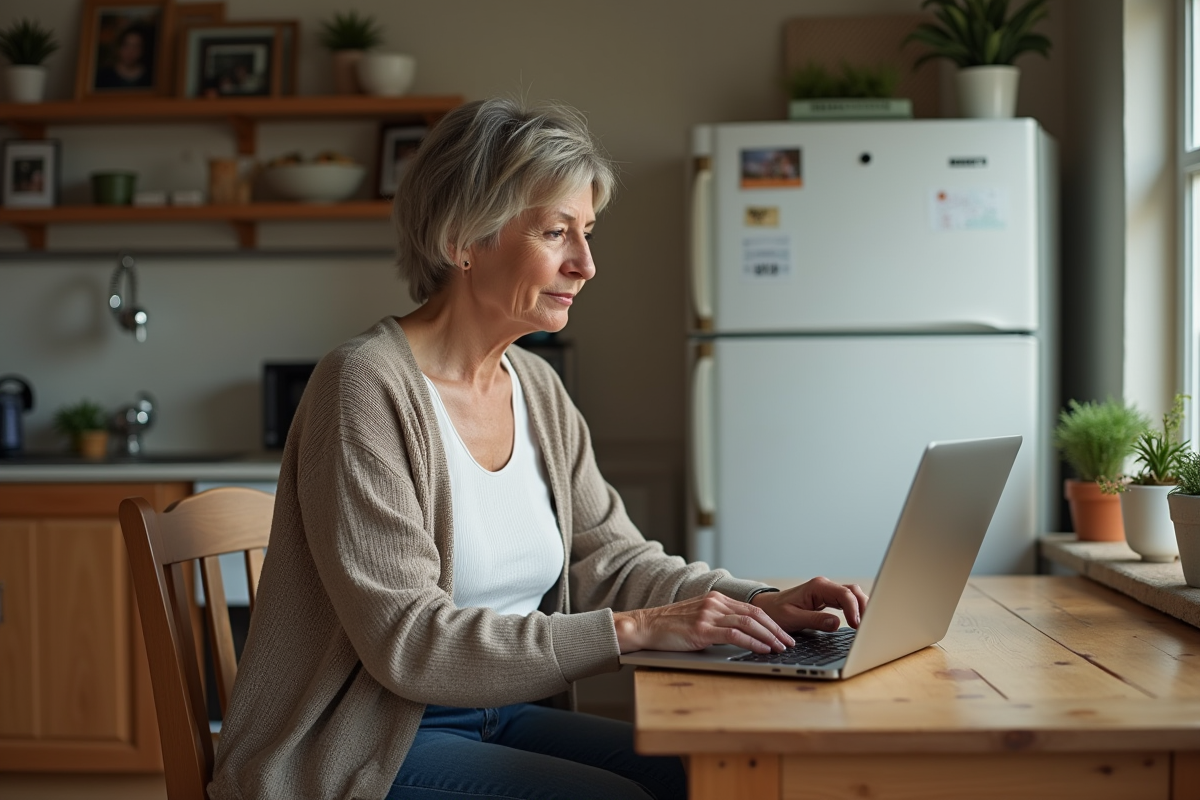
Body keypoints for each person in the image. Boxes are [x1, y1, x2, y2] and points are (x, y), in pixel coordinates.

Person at [208, 98, 868, 800]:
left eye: (586, 232)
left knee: (698, 776)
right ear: (463, 239)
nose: (586, 264)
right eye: (557, 232)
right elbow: (409, 642)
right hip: (366, 739)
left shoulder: (536, 386)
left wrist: (760, 602)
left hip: (499, 715)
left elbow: (613, 563)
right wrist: (636, 631)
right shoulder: (364, 387)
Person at [94, 23, 153, 89]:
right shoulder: (103, 76)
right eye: (126, 45)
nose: (130, 51)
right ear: (119, 47)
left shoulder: (151, 78)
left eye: (136, 46)